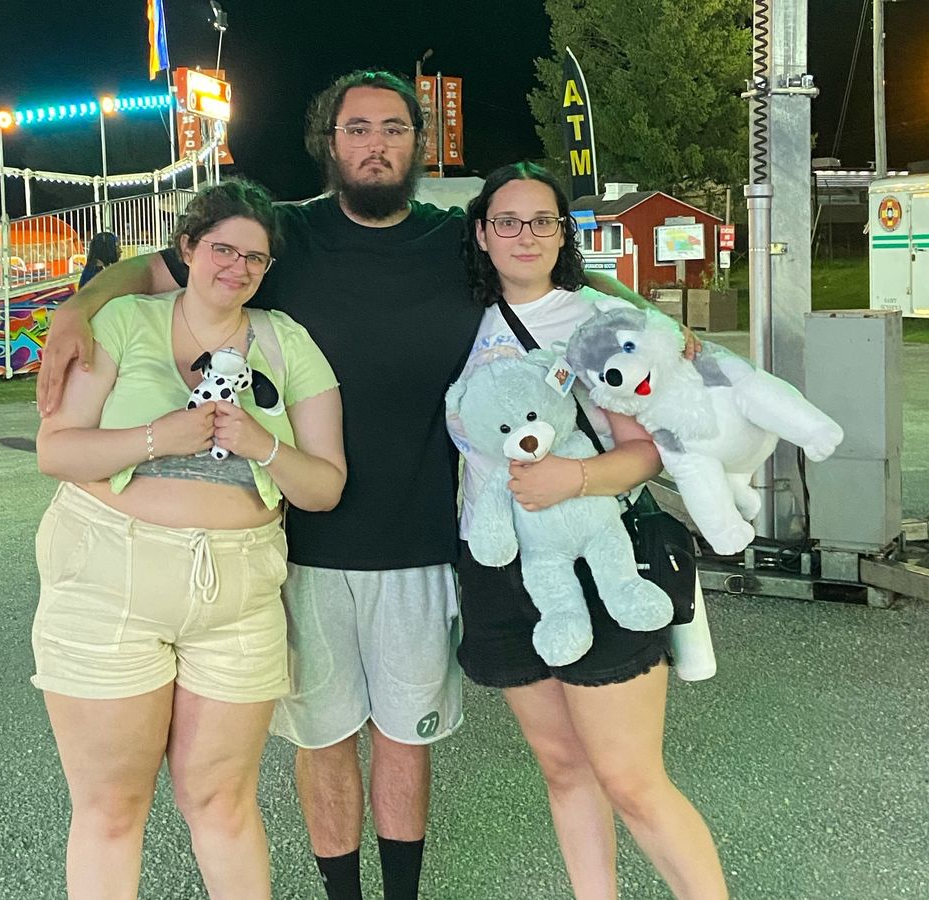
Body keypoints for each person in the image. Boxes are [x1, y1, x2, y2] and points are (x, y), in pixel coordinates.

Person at [36, 70, 694, 900]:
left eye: (393, 129)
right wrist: (77, 308)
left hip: (420, 537)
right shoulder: (285, 236)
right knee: (323, 740)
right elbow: (155, 269)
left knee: (404, 739)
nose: (375, 145)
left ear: (419, 143)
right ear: (330, 142)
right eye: (357, 129)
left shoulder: (453, 240)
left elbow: (554, 271)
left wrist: (652, 316)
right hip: (297, 544)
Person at [32, 178, 346, 900]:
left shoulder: (285, 340)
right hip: (110, 578)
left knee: (223, 803)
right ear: (188, 249)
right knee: (112, 808)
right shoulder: (126, 321)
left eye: (255, 258)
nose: (237, 268)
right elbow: (57, 449)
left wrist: (264, 445)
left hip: (238, 595)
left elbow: (324, 486)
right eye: (222, 250)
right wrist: (158, 437)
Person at [447, 161, 728, 900]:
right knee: (564, 769)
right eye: (507, 221)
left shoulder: (596, 322)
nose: (525, 235)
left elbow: (645, 452)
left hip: (600, 559)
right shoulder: (456, 321)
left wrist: (572, 478)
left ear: (562, 232)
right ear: (481, 233)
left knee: (631, 780)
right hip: (500, 564)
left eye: (542, 220)